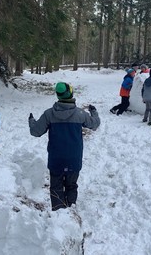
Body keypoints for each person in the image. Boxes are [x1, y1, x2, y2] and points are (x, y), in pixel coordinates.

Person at [28, 82, 100, 211]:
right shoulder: (80, 114)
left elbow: (35, 132)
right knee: (71, 185)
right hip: (74, 158)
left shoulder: (49, 114)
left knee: (56, 186)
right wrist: (94, 112)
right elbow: (94, 125)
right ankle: (70, 210)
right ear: (70, 93)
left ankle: (58, 212)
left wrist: (31, 121)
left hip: (56, 159)